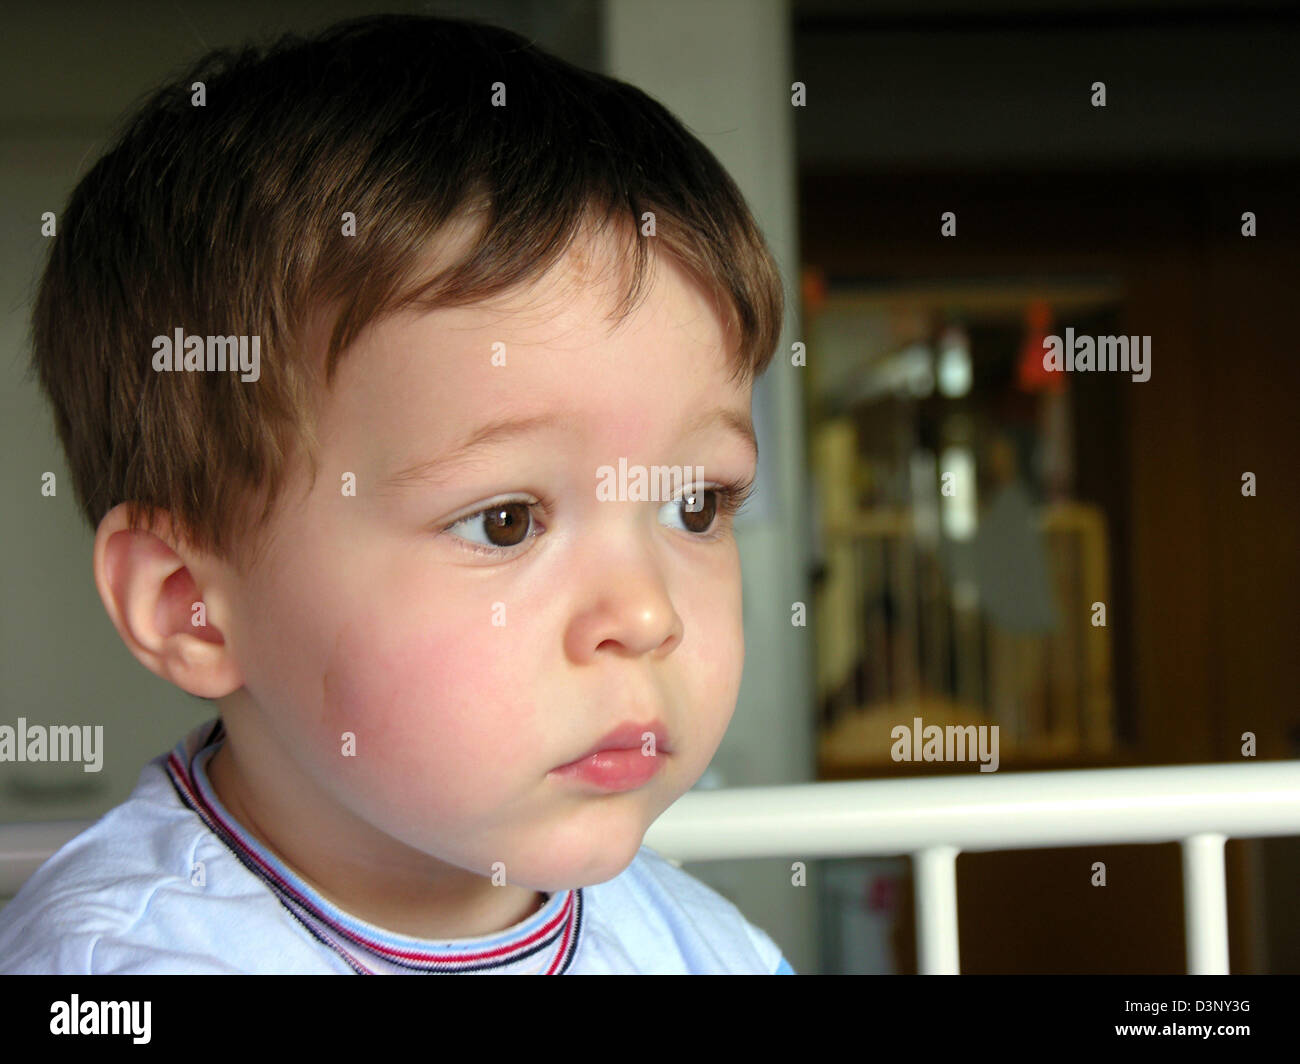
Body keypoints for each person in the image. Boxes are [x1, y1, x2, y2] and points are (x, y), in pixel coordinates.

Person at [0, 13, 794, 975]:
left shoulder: (709, 950)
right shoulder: (113, 971)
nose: (646, 613)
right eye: (506, 521)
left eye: (695, 506)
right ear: (191, 606)